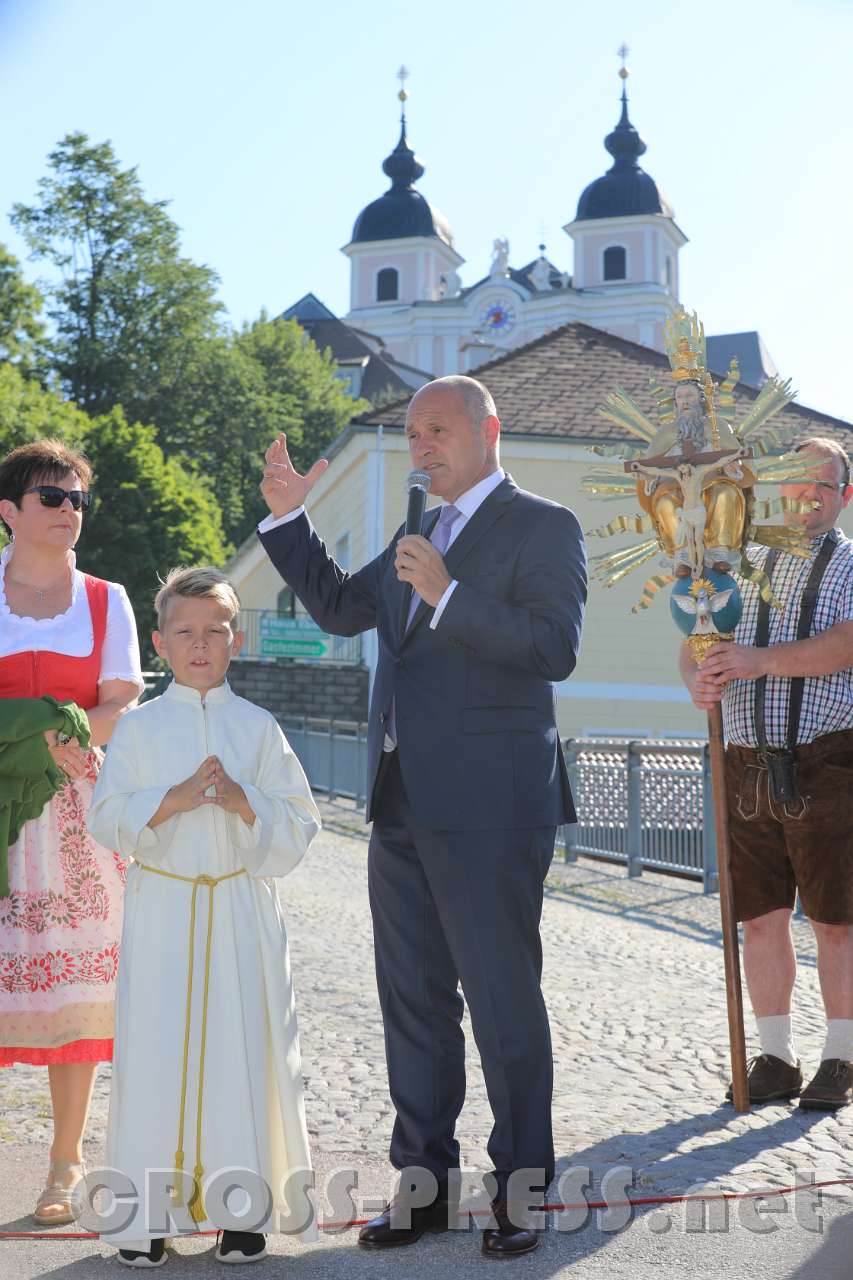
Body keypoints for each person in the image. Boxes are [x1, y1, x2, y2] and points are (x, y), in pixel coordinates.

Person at [257, 374, 587, 1258]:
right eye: (413, 434)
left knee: (502, 999)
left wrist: (448, 594)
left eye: (436, 430)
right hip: (400, 798)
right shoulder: (414, 530)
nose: (422, 447)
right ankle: (424, 1187)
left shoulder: (542, 525)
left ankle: (522, 1190)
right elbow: (336, 607)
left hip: (493, 806)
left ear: (488, 430)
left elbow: (553, 647)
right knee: (412, 1004)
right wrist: (292, 520)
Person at [88, 567, 321, 1267]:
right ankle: (145, 1219)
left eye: (214, 632)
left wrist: (245, 801)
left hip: (241, 910)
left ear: (234, 639)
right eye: (185, 633)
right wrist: (176, 797)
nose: (199, 645)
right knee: (155, 1052)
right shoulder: (138, 729)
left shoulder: (259, 727)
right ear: (160, 642)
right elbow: (106, 815)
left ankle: (242, 1212)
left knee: (243, 1048)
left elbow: (300, 821)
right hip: (163, 907)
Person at [680, 436, 853, 1109]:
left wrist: (757, 660)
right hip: (743, 762)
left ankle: (839, 1056)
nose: (807, 494)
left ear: (844, 495)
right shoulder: (736, 565)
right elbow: (694, 644)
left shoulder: (848, 565)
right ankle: (775, 1057)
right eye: (796, 480)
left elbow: (845, 646)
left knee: (836, 921)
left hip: (828, 760)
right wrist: (699, 680)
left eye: (823, 484)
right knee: (759, 918)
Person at [0, 439, 142, 1225]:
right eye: (52, 498)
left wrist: (72, 732)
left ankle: (64, 1161)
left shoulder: (105, 599)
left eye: (78, 500)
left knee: (76, 991)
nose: (68, 512)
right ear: (9, 512)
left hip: (77, 816)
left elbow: (122, 701)